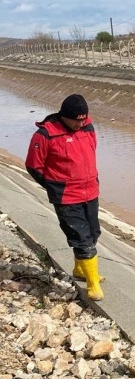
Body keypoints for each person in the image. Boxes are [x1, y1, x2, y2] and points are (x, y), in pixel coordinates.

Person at [25, 94, 103, 301]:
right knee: (82, 239)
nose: (80, 123)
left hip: (90, 192)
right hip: (67, 196)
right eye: (76, 120)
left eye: (83, 119)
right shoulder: (45, 135)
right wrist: (54, 186)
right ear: (64, 116)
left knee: (93, 233)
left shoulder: (88, 128)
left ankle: (80, 270)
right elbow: (33, 166)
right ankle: (93, 285)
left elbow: (90, 153)